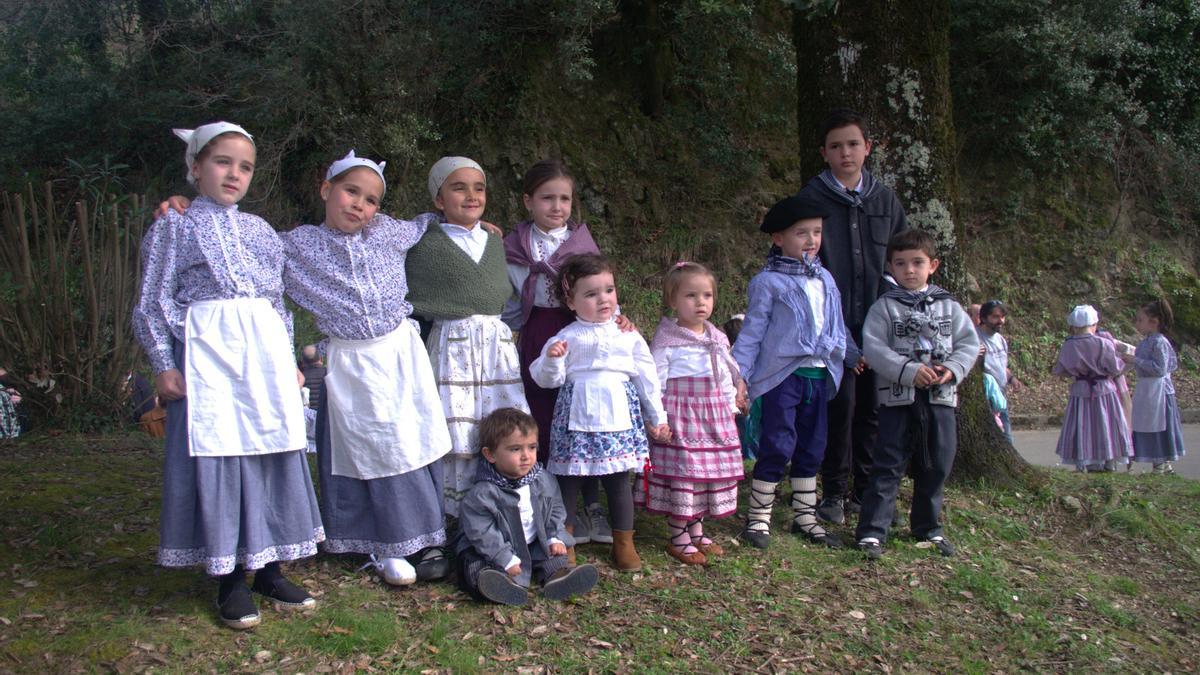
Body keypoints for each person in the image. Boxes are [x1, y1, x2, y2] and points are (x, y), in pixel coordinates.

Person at [132, 122, 322, 630]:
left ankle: (270, 568)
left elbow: (277, 304)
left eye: (245, 166)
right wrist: (163, 363)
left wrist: (289, 362)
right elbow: (152, 301)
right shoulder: (174, 226)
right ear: (195, 167)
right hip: (208, 357)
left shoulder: (260, 231)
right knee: (223, 456)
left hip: (261, 357)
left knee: (270, 450)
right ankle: (230, 579)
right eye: (222, 162)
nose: (234, 174)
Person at [280, 151, 454, 586]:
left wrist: (474, 227)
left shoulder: (388, 233)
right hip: (351, 360)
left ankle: (424, 536)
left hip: (399, 353)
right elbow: (245, 241)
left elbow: (426, 223)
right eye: (350, 191)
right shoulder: (295, 245)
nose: (360, 205)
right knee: (367, 446)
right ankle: (370, 538)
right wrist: (183, 206)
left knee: (408, 440)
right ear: (326, 189)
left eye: (372, 199)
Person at [503, 159, 631, 548]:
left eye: (565, 199)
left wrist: (619, 319)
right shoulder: (512, 247)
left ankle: (591, 506)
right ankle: (547, 504)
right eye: (547, 198)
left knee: (583, 420)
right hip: (540, 332)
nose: (557, 207)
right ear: (528, 201)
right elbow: (509, 299)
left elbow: (598, 287)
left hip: (582, 333)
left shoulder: (580, 245)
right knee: (543, 414)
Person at [796, 109, 909, 526]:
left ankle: (869, 493)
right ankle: (834, 492)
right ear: (824, 153)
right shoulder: (812, 199)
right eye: (837, 146)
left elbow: (902, 257)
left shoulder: (884, 199)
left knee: (875, 410)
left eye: (853, 144)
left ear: (868, 149)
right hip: (830, 329)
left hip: (880, 324)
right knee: (839, 407)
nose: (846, 152)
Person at [529, 253, 671, 571]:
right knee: (569, 480)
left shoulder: (627, 334)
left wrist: (657, 417)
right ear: (571, 300)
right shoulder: (566, 337)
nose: (603, 299)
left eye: (608, 290)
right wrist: (553, 359)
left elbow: (646, 375)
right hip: (576, 417)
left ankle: (624, 542)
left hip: (619, 415)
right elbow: (546, 378)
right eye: (591, 294)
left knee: (619, 480)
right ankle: (562, 544)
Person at [405, 156, 529, 519]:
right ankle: (453, 513)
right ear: (439, 199)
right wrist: (428, 223)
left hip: (495, 348)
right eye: (458, 188)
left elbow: (501, 293)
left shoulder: (493, 241)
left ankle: (505, 505)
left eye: (479, 188)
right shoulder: (424, 242)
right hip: (452, 346)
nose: (471, 196)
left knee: (501, 420)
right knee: (456, 425)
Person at [732, 195, 853, 550]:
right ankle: (758, 518)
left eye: (816, 232)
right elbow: (753, 332)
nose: (812, 240)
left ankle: (805, 516)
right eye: (802, 233)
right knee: (777, 443)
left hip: (820, 375)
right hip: (782, 376)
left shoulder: (826, 279)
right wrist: (739, 374)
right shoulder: (768, 282)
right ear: (779, 239)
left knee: (813, 445)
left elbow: (837, 324)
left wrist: (852, 353)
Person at [854, 229, 979, 560]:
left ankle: (928, 526)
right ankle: (871, 531)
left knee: (938, 462)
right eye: (901, 263)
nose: (909, 270)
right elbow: (875, 348)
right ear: (890, 267)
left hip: (941, 398)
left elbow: (968, 343)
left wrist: (952, 369)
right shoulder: (884, 308)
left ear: (933, 265)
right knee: (888, 463)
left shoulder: (949, 306)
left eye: (917, 263)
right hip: (898, 399)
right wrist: (909, 371)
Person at [640, 262, 747, 565]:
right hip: (682, 418)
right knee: (686, 474)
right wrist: (657, 418)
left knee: (706, 475)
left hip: (713, 417)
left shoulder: (716, 338)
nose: (701, 302)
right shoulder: (668, 341)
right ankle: (678, 534)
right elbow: (654, 381)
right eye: (691, 296)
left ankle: (696, 527)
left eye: (707, 296)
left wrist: (729, 405)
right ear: (673, 300)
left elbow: (724, 375)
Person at [455, 408, 599, 605]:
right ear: (490, 455)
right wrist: (504, 557)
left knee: (551, 557)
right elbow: (482, 532)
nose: (526, 456)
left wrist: (553, 536)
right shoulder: (483, 493)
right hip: (491, 548)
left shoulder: (542, 479)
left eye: (531, 447)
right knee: (476, 564)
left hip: (531, 541)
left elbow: (555, 509)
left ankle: (558, 578)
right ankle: (495, 586)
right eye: (515, 449)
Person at [1052, 305, 1134, 473]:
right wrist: (1128, 360)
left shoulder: (1068, 345)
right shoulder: (1103, 343)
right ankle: (1109, 460)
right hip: (1104, 389)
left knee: (1083, 424)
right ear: (1094, 324)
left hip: (1080, 389)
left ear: (1074, 326)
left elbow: (1060, 370)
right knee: (1107, 424)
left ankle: (1084, 460)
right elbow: (1115, 368)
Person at [1126, 299, 1186, 474]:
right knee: (1147, 423)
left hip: (1158, 391)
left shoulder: (1159, 342)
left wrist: (1135, 360)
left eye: (1140, 320)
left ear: (1154, 322)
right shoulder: (1147, 341)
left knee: (1159, 424)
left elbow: (1160, 368)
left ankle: (1161, 461)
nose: (1137, 324)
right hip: (1147, 389)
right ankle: (1160, 461)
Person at [976, 300, 1023, 441]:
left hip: (1000, 394)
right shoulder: (975, 338)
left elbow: (1001, 366)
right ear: (984, 318)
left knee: (1006, 435)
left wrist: (1012, 378)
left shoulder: (1000, 339)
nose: (1000, 321)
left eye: (1002, 317)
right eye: (995, 317)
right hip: (985, 394)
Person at [299, 345, 326, 410]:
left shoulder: (299, 379)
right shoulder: (329, 374)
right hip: (326, 417)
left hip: (306, 418)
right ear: (321, 359)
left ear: (302, 362)